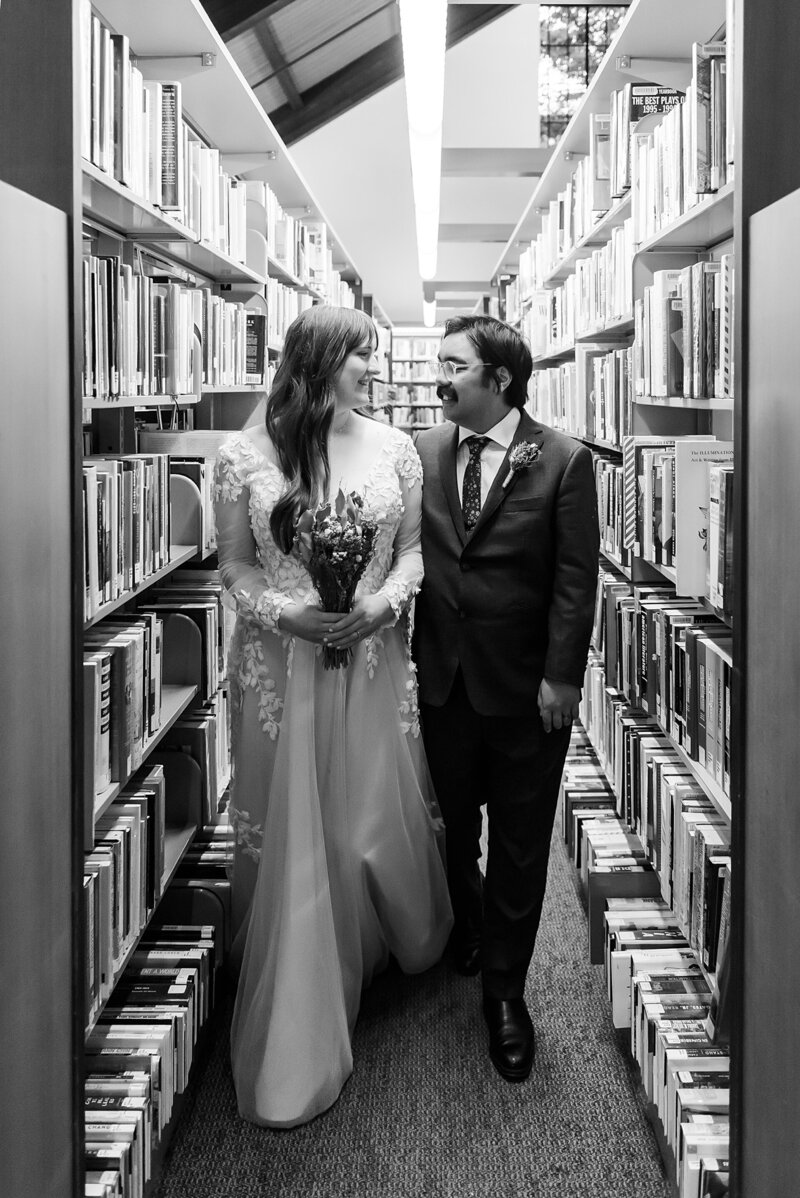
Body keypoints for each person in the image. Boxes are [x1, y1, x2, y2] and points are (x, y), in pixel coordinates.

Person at [213, 304, 452, 1128]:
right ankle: (305, 982)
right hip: (285, 671)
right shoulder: (243, 456)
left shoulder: (397, 450)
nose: (373, 372)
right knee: (299, 820)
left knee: (363, 815)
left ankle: (372, 938)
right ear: (318, 361)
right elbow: (236, 569)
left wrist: (382, 604)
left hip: (372, 663)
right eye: (361, 357)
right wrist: (289, 617)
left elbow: (415, 551)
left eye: (377, 358)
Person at [413, 314, 599, 1083]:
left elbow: (573, 579)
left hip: (526, 694)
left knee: (521, 841)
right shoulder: (420, 452)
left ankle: (506, 994)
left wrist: (562, 677)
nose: (439, 377)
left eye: (453, 365)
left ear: (499, 379)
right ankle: (469, 921)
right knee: (451, 827)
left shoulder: (562, 461)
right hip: (441, 682)